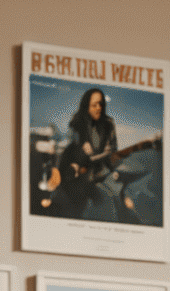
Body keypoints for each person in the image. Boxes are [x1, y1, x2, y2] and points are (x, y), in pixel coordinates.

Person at [55, 88, 139, 223]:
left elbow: (111, 151)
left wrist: (109, 167)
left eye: (101, 104)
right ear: (86, 106)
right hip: (76, 175)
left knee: (114, 199)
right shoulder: (77, 123)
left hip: (100, 172)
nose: (99, 107)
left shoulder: (108, 124)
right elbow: (77, 152)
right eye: (94, 105)